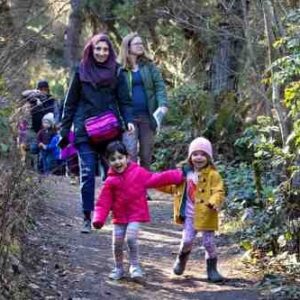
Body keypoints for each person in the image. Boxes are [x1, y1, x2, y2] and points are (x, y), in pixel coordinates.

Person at [60, 33, 134, 234]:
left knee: (115, 173)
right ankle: (86, 216)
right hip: (85, 130)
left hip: (110, 130)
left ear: (110, 52)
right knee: (87, 173)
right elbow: (71, 103)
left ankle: (118, 213)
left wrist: (128, 121)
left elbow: (125, 101)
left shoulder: (117, 72)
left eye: (105, 49)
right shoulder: (80, 71)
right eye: (97, 49)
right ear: (91, 50)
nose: (101, 53)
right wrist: (64, 131)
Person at [92, 141, 184, 280]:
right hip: (119, 217)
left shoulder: (138, 173)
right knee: (116, 243)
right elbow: (103, 202)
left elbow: (156, 178)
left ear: (127, 158)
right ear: (108, 161)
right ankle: (118, 268)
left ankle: (135, 266)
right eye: (113, 159)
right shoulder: (110, 182)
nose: (117, 162)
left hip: (135, 214)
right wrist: (98, 219)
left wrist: (177, 175)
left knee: (131, 238)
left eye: (120, 158)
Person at [160, 137, 225, 282]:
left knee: (208, 243)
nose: (199, 157)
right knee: (187, 240)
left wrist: (214, 201)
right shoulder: (184, 174)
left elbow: (218, 191)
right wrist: (154, 183)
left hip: (207, 214)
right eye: (195, 154)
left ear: (209, 157)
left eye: (203, 154)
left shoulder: (213, 175)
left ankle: (212, 269)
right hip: (189, 216)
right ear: (190, 157)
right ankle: (181, 259)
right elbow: (171, 186)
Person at [119, 32, 168, 169]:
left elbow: (159, 86)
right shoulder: (120, 69)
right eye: (137, 44)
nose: (141, 46)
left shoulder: (149, 66)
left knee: (146, 153)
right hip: (129, 118)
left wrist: (163, 104)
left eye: (142, 43)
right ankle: (131, 184)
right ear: (128, 47)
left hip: (148, 116)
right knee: (131, 152)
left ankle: (144, 183)